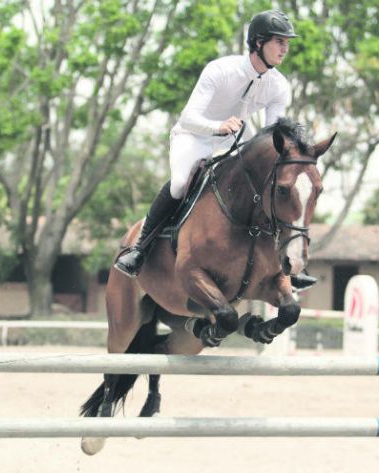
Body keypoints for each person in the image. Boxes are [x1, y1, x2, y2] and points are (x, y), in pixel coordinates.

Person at [114, 9, 316, 291]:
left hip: (233, 141)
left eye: (287, 43)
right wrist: (217, 127)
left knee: (266, 189)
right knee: (180, 183)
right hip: (194, 136)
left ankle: (287, 264)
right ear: (259, 42)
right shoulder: (220, 70)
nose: (285, 48)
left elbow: (274, 135)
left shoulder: (279, 85)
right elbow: (188, 117)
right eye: (279, 41)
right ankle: (140, 248)